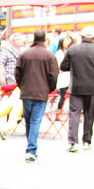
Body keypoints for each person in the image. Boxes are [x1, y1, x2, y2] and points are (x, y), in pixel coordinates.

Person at [60, 26, 94, 152]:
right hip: (91, 86)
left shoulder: (73, 49)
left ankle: (73, 142)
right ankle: (87, 141)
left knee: (74, 114)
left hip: (76, 85)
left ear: (81, 36)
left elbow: (63, 66)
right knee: (89, 114)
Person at [15, 29, 59, 162]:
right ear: (45, 40)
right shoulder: (50, 56)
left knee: (29, 120)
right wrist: (48, 88)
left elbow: (17, 73)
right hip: (41, 92)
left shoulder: (24, 54)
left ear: (34, 39)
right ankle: (31, 149)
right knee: (35, 120)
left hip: (27, 91)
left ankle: (31, 147)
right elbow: (53, 75)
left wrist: (22, 86)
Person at [54, 33, 74, 110]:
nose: (67, 43)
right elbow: (60, 65)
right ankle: (58, 110)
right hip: (63, 76)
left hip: (66, 75)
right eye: (65, 41)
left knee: (64, 94)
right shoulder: (60, 52)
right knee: (63, 94)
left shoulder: (64, 51)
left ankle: (59, 109)